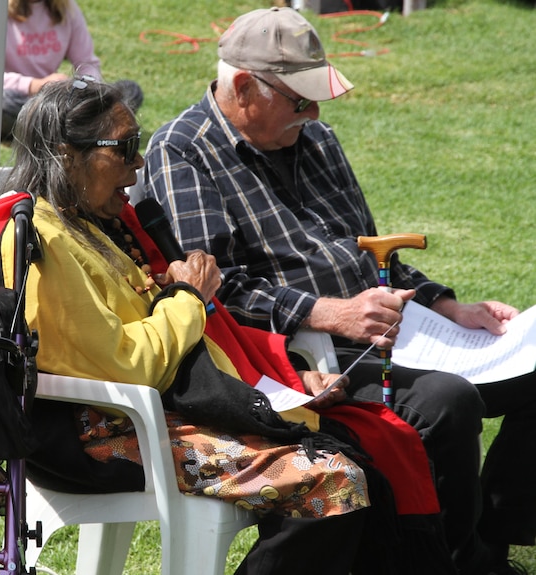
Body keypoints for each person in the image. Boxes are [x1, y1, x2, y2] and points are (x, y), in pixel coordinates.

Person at [0, 77, 458, 575]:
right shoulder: (40, 241)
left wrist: (287, 383)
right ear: (67, 154)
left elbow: (165, 342)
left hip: (153, 411)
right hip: (105, 433)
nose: (138, 165)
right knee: (334, 481)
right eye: (125, 148)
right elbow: (125, 365)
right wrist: (188, 297)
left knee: (346, 455)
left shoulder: (88, 221)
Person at [143, 7, 534, 575]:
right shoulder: (183, 152)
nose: (316, 112)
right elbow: (214, 293)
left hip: (386, 331)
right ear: (246, 87)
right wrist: (333, 313)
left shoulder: (313, 136)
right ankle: (451, 561)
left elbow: (371, 252)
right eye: (300, 99)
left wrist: (449, 307)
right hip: (302, 356)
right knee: (446, 402)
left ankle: (491, 544)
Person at [0, 0, 143, 146]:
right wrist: (36, 85)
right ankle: (81, 124)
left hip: (51, 101)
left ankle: (69, 122)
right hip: (5, 103)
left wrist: (84, 87)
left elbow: (88, 63)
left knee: (128, 91)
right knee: (4, 103)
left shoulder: (67, 8)